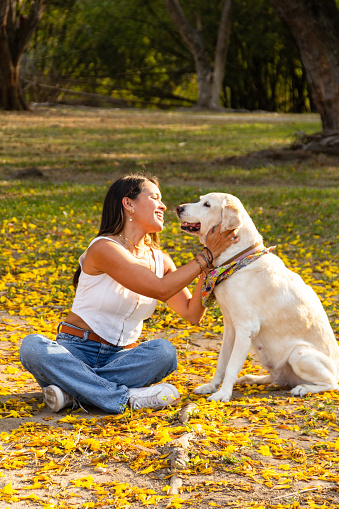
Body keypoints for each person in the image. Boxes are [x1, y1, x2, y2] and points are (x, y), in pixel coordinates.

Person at [19, 174, 239, 414]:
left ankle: (75, 392)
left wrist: (212, 266)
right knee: (33, 347)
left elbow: (192, 313)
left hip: (122, 360)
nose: (163, 206)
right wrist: (205, 256)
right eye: (155, 197)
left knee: (164, 352)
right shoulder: (104, 248)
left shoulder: (160, 260)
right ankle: (124, 397)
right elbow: (159, 288)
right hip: (74, 352)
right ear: (129, 204)